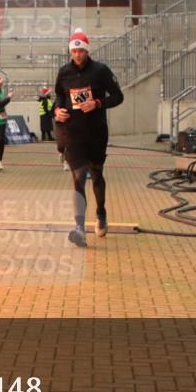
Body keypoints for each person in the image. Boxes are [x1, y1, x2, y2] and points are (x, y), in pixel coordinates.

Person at [54, 29, 124, 247]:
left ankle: (101, 212)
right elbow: (59, 95)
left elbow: (118, 96)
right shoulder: (64, 72)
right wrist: (57, 110)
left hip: (96, 131)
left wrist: (97, 103)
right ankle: (79, 227)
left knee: (96, 173)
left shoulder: (100, 71)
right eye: (74, 51)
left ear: (87, 50)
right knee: (78, 177)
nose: (77, 55)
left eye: (81, 51)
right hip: (73, 133)